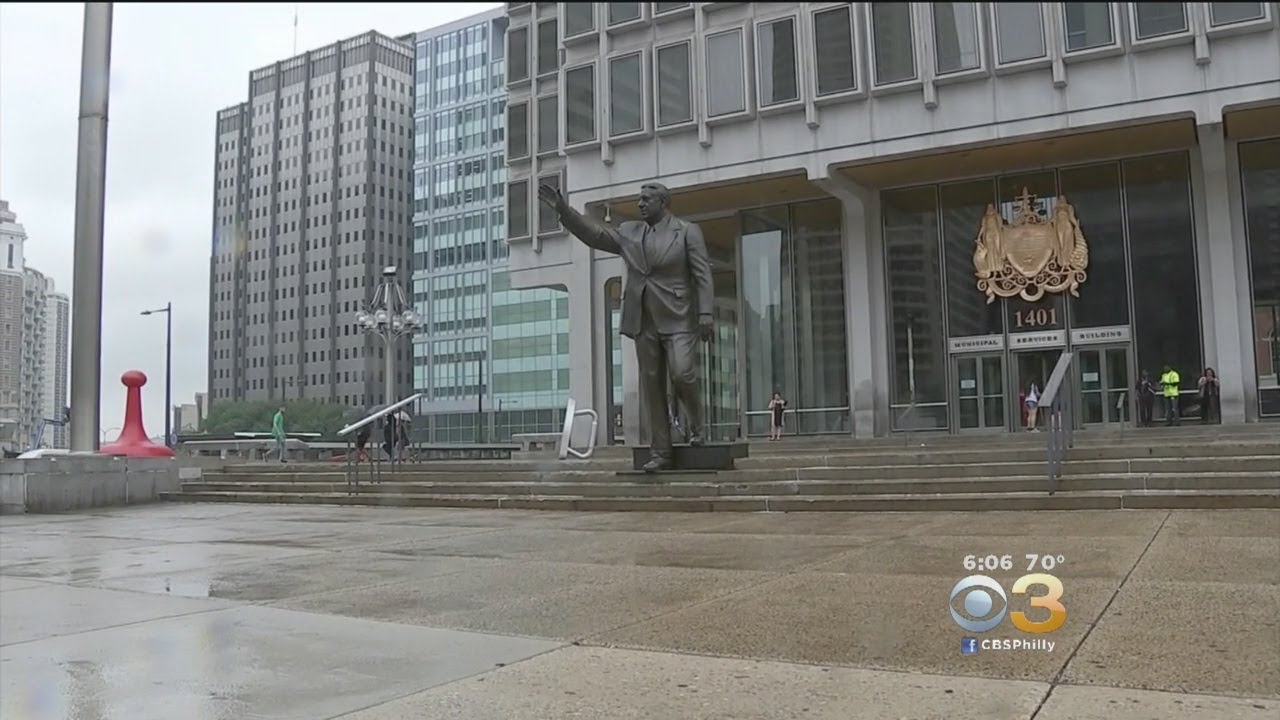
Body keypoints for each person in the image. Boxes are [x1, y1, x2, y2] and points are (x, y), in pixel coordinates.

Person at [539, 180, 713, 472]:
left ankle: (696, 425)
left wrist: (705, 313)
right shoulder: (630, 232)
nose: (640, 204)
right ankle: (661, 453)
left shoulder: (686, 231)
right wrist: (564, 211)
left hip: (678, 315)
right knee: (652, 387)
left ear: (663, 202)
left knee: (683, 373)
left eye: (646, 199)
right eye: (639, 200)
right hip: (642, 318)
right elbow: (595, 236)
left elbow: (703, 274)